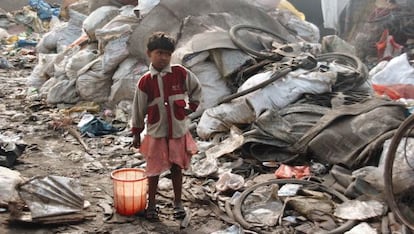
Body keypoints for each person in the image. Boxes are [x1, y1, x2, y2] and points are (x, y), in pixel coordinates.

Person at [131, 31, 202, 221]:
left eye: (167, 54)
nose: (163, 57)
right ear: (149, 54)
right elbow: (138, 109)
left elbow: (196, 88)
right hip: (156, 132)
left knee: (177, 167)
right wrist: (136, 132)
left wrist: (191, 107)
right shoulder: (145, 81)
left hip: (178, 131)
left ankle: (178, 202)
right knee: (153, 169)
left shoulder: (180, 73)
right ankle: (151, 203)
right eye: (159, 53)